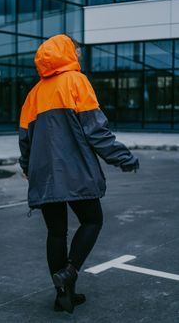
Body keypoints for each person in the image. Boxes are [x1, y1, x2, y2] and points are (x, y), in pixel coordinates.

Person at [18, 34, 139, 314]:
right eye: (77, 50)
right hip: (74, 172)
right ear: (68, 52)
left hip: (44, 175)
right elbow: (95, 130)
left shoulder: (33, 93)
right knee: (92, 220)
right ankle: (70, 271)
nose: (80, 55)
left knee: (56, 232)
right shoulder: (76, 81)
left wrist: (27, 168)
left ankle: (63, 296)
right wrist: (123, 158)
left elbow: (24, 139)